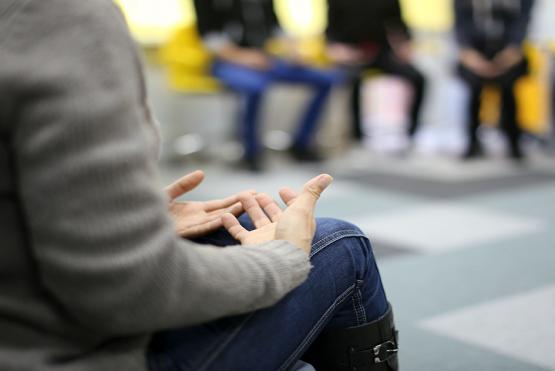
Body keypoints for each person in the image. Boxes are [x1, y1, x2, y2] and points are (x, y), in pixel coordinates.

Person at [0, 1, 398, 371]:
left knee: (322, 79)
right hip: (61, 352)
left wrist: (129, 219)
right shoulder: (61, 17)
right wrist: (284, 257)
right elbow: (127, 290)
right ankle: (251, 151)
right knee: (342, 243)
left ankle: (301, 143)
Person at [193, 0, 342, 171]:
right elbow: (209, 38)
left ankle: (301, 144)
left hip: (265, 59)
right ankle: (250, 153)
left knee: (327, 79)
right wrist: (243, 57)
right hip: (227, 61)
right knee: (254, 86)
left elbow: (275, 27)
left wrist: (293, 51)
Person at [325, 0, 427, 142]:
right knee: (352, 80)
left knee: (418, 78)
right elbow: (330, 30)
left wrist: (405, 45)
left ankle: (412, 132)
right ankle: (356, 135)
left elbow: (398, 22)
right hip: (352, 54)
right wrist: (337, 49)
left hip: (380, 52)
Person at [454, 0, 535, 160]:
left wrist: (510, 53)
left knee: (508, 91)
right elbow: (460, 24)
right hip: (476, 51)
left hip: (508, 50)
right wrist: (471, 56)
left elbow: (523, 21)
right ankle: (472, 142)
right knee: (473, 91)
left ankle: (514, 142)